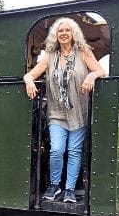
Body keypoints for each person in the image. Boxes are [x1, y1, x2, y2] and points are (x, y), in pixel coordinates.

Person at [23, 17, 106, 204]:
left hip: (79, 112)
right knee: (57, 150)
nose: (63, 33)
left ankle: (69, 189)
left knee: (74, 151)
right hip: (57, 113)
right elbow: (30, 74)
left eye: (67, 30)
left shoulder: (83, 52)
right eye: (60, 31)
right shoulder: (50, 56)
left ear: (73, 33)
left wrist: (92, 76)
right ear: (55, 35)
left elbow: (101, 71)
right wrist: (29, 81)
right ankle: (54, 185)